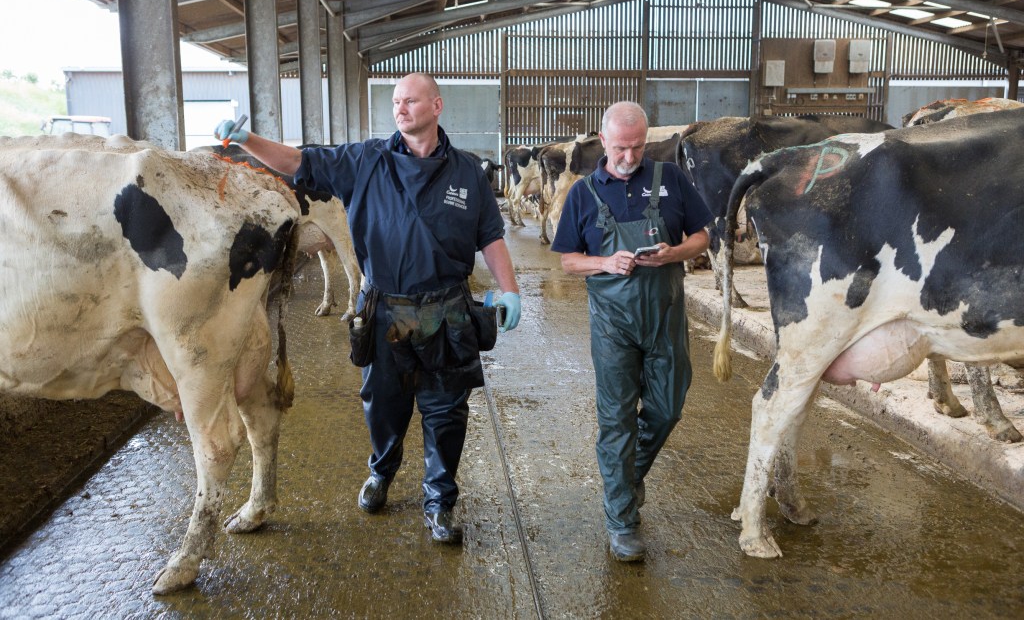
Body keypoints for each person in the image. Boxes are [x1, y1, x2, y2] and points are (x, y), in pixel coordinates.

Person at [214, 73, 521, 545]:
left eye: (411, 100)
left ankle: (440, 500)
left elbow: (491, 236)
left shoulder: (467, 173)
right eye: (396, 101)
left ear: (436, 106)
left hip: (447, 310)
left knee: (447, 413)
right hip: (383, 308)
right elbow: (298, 162)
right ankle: (381, 471)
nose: (400, 108)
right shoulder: (364, 161)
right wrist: (247, 140)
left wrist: (510, 288)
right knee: (383, 406)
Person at [551, 101, 711, 562]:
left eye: (637, 146)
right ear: (603, 141)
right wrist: (605, 262)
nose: (629, 156)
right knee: (617, 422)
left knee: (667, 408)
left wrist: (674, 252)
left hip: (665, 317)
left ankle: (626, 478)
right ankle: (621, 519)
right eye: (621, 147)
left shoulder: (671, 179)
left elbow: (703, 236)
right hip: (612, 325)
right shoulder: (584, 193)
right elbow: (567, 260)